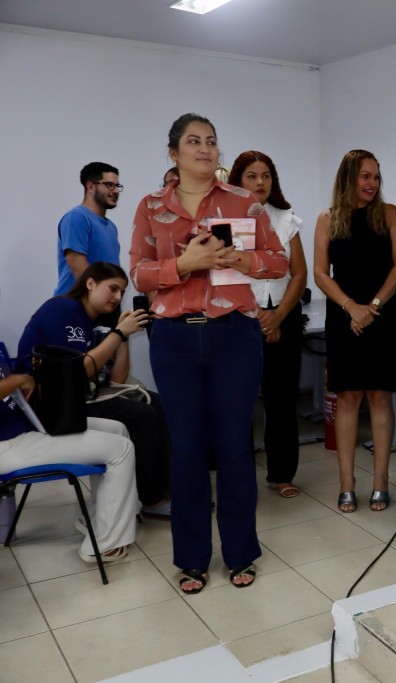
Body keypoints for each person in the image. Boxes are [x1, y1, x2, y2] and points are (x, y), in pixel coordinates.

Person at [129, 113, 288, 594]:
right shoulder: (151, 206)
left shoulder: (244, 202)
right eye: (194, 141)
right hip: (174, 339)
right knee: (188, 449)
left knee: (235, 447)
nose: (205, 148)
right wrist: (184, 263)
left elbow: (278, 261)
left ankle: (240, 553)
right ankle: (192, 558)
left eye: (212, 141)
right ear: (173, 153)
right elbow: (138, 273)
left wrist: (239, 258)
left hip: (233, 336)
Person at [16, 262, 172, 519]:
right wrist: (118, 333)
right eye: (113, 288)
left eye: (122, 292)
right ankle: (153, 500)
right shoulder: (63, 309)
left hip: (78, 396)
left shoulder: (100, 320)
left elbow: (117, 378)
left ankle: (169, 488)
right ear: (90, 284)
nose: (118, 297)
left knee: (158, 404)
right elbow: (78, 372)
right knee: (142, 416)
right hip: (49, 404)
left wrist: (122, 336)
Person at [313, 150, 396, 513]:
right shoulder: (328, 218)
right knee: (348, 397)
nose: (372, 183)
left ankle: (381, 482)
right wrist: (351, 306)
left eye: (376, 176)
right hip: (344, 315)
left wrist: (373, 305)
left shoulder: (390, 214)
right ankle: (347, 484)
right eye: (365, 176)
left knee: (380, 396)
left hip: (382, 313)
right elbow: (320, 273)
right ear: (348, 178)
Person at [228, 150, 308, 499]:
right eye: (252, 176)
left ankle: (281, 474)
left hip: (283, 316)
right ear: (238, 181)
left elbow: (299, 274)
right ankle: (240, 478)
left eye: (266, 176)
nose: (260, 182)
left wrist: (277, 316)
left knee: (282, 399)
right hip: (240, 318)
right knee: (239, 404)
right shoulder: (227, 220)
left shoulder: (286, 218)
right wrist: (259, 315)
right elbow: (226, 274)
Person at [0, 365, 137, 565]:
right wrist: (17, 380)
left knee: (117, 429)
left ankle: (95, 520)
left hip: (24, 426)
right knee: (121, 449)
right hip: (7, 445)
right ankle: (105, 545)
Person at [55, 162, 123, 295]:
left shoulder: (111, 227)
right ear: (91, 187)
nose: (115, 191)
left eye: (117, 186)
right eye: (109, 185)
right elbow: (77, 264)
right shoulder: (76, 217)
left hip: (102, 303)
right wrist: (102, 297)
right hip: (74, 303)